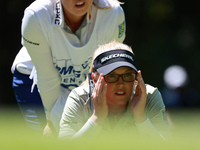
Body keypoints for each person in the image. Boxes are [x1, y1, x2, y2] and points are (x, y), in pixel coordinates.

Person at [11, 0, 126, 135]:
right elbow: (46, 75)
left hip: (87, 84)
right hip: (36, 83)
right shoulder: (36, 15)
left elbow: (108, 71)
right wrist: (51, 122)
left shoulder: (113, 13)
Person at [59, 41, 170, 140]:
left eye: (127, 75)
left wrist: (141, 117)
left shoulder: (149, 96)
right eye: (111, 76)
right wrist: (97, 118)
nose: (121, 84)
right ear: (95, 79)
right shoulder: (80, 98)